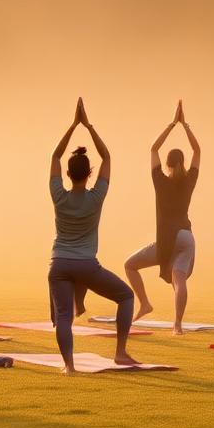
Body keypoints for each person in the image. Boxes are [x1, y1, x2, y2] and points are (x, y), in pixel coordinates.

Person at [48, 98, 139, 373]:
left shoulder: (58, 195)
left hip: (59, 264)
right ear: (90, 174)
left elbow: (55, 157)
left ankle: (69, 366)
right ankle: (120, 352)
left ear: (67, 173)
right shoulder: (96, 197)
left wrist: (72, 125)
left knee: (64, 317)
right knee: (126, 297)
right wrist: (88, 126)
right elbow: (107, 157)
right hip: (86, 265)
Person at [122, 101, 201, 333]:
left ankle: (145, 303)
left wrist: (172, 124)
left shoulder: (160, 180)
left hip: (167, 239)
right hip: (186, 237)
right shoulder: (189, 180)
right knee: (179, 280)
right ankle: (177, 325)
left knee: (130, 265)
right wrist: (185, 126)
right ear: (182, 163)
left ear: (167, 165)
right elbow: (197, 151)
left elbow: (153, 149)